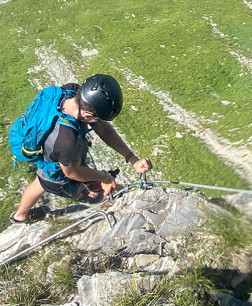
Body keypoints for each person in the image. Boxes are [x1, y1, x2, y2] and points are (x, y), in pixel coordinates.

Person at [11, 73, 152, 224]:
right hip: (61, 173)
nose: (99, 123)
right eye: (97, 119)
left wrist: (132, 158)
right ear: (87, 114)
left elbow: (102, 129)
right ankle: (103, 210)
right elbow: (74, 173)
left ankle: (20, 216)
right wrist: (105, 178)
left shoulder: (71, 91)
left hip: (47, 155)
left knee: (42, 181)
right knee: (104, 194)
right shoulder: (67, 141)